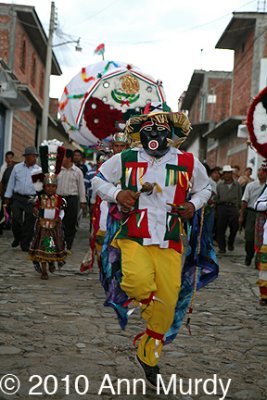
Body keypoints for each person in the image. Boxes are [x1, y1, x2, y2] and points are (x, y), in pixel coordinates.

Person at [92, 107, 212, 387]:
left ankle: (148, 355)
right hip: (134, 234)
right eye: (148, 129)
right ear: (141, 134)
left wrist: (193, 205)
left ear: (170, 133)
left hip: (170, 239)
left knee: (168, 303)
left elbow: (205, 188)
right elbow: (99, 178)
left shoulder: (188, 161)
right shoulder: (127, 157)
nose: (154, 134)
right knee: (136, 281)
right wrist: (117, 193)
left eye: (160, 129)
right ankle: (149, 311)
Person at [29, 173, 66, 280]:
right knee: (43, 246)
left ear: (56, 187)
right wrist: (36, 212)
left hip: (54, 227)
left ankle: (51, 262)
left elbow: (62, 212)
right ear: (44, 187)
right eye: (48, 186)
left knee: (51, 245)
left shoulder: (59, 199)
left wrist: (60, 219)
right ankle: (44, 271)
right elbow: (35, 210)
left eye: (53, 186)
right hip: (42, 227)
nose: (51, 188)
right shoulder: (40, 198)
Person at [4, 146, 41, 251]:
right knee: (15, 219)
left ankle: (25, 243)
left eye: (36, 156)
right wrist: (7, 196)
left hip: (31, 199)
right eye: (33, 156)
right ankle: (18, 237)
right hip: (17, 197)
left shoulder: (38, 170)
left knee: (29, 222)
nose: (35, 158)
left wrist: (39, 201)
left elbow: (39, 188)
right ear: (26, 157)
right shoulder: (17, 168)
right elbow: (11, 183)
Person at [56, 149, 86, 253]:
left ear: (69, 158)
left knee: (71, 223)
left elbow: (81, 187)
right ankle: (57, 244)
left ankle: (68, 245)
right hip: (58, 198)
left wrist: (83, 201)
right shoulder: (58, 170)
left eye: (63, 157)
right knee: (57, 222)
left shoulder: (77, 172)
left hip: (72, 199)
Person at [239, 166, 267, 266]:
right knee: (249, 237)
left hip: (264, 214)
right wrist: (241, 216)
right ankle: (249, 256)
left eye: (263, 171)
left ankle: (258, 261)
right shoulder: (251, 185)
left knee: (263, 238)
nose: (260, 173)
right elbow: (244, 201)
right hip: (251, 213)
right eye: (259, 170)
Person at [215, 165, 242, 253]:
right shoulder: (219, 185)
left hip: (233, 207)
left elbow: (239, 197)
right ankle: (222, 247)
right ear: (223, 175)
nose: (227, 175)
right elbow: (216, 197)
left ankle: (230, 242)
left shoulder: (237, 184)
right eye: (225, 173)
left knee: (234, 227)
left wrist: (239, 209)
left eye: (229, 173)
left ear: (231, 174)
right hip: (222, 207)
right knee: (220, 228)